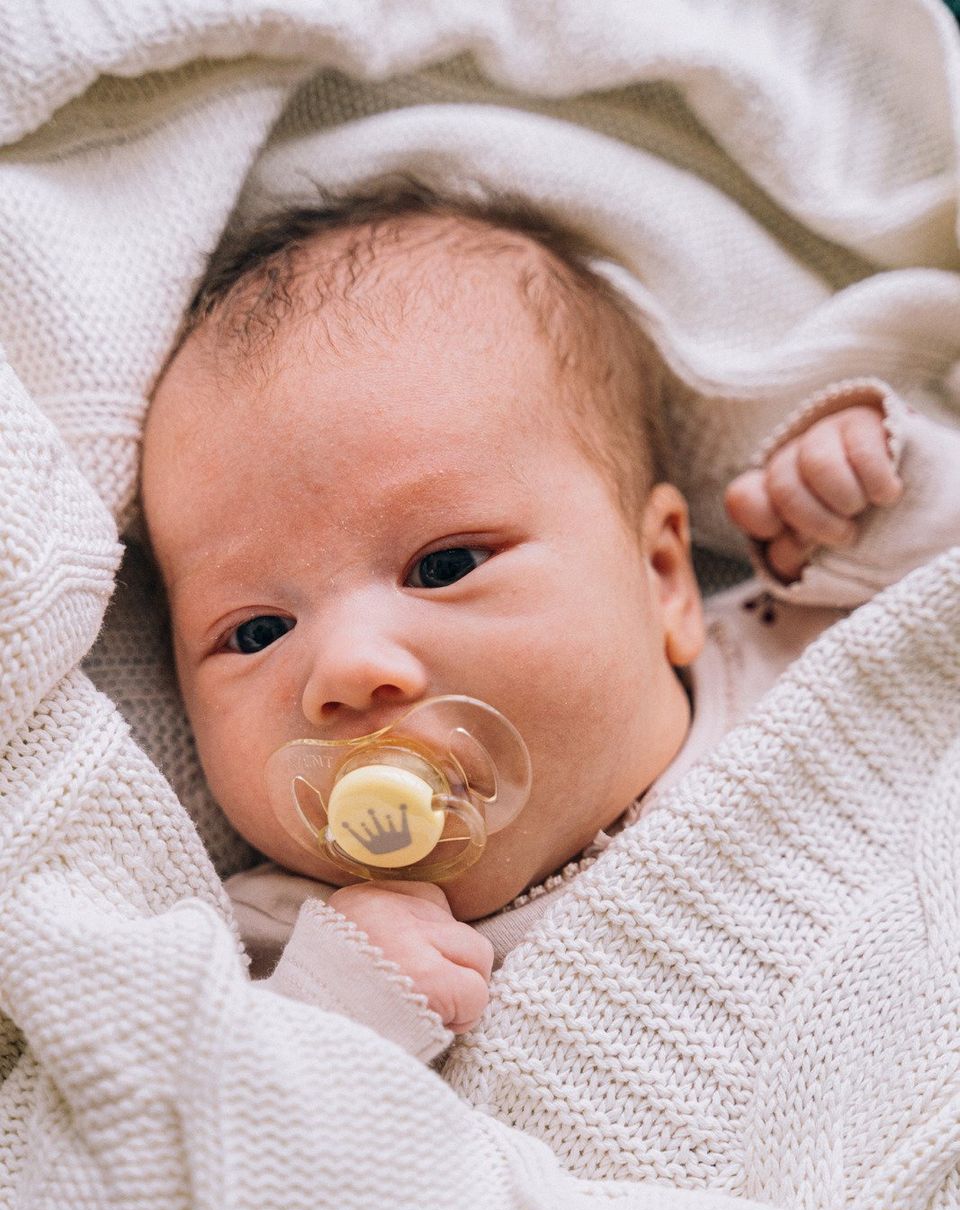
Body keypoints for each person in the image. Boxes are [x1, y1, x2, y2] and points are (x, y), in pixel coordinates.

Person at [140, 184, 960, 1064]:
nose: (344, 667)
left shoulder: (795, 645)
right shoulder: (286, 943)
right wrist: (341, 1017)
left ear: (663, 576)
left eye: (444, 566)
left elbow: (935, 619)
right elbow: (226, 1149)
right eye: (257, 632)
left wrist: (880, 498)